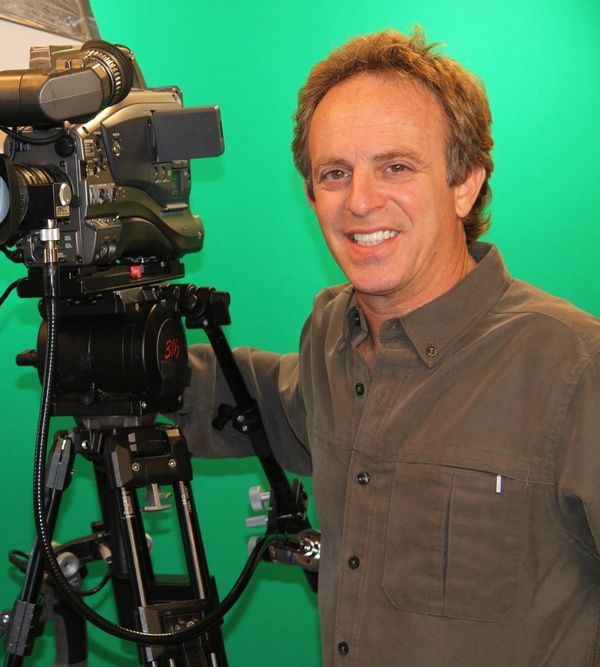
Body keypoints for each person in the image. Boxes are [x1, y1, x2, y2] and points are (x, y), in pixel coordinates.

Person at [173, 28, 600, 666]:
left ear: (466, 183)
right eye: (335, 173)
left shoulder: (570, 365)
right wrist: (146, 363)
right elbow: (278, 406)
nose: (361, 202)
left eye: (396, 166)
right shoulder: (330, 334)